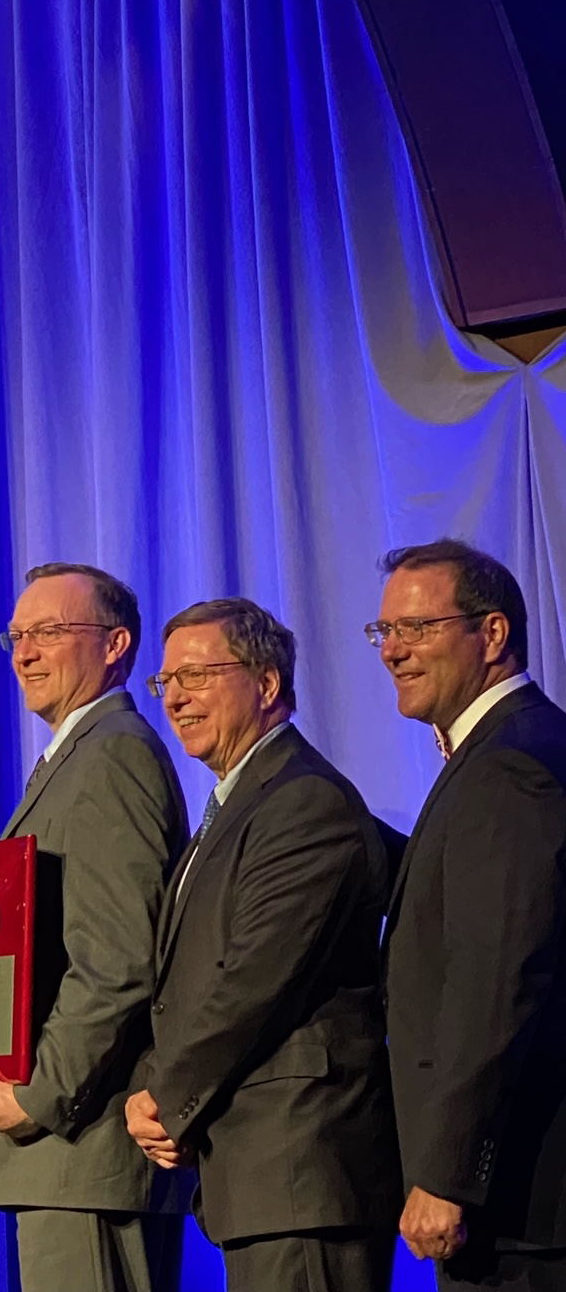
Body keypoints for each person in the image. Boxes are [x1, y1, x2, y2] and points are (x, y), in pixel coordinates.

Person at [125, 599, 399, 1292]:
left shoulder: (303, 803)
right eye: (166, 683)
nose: (177, 698)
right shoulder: (232, 808)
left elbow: (252, 981)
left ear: (267, 685)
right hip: (258, 1173)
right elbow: (182, 984)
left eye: (198, 675)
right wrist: (146, 1088)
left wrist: (164, 1096)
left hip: (303, 1167)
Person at [0, 564, 188, 1292]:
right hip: (62, 1162)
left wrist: (39, 1095)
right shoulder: (69, 759)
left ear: (116, 644)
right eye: (17, 636)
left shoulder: (114, 753)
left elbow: (119, 960)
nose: (24, 652)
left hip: (82, 1147)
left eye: (50, 632)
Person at [375, 540, 566, 1291]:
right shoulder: (492, 755)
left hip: (518, 1204)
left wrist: (448, 1170)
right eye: (384, 632)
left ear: (492, 635)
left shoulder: (511, 764)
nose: (392, 650)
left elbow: (497, 981)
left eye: (417, 629)